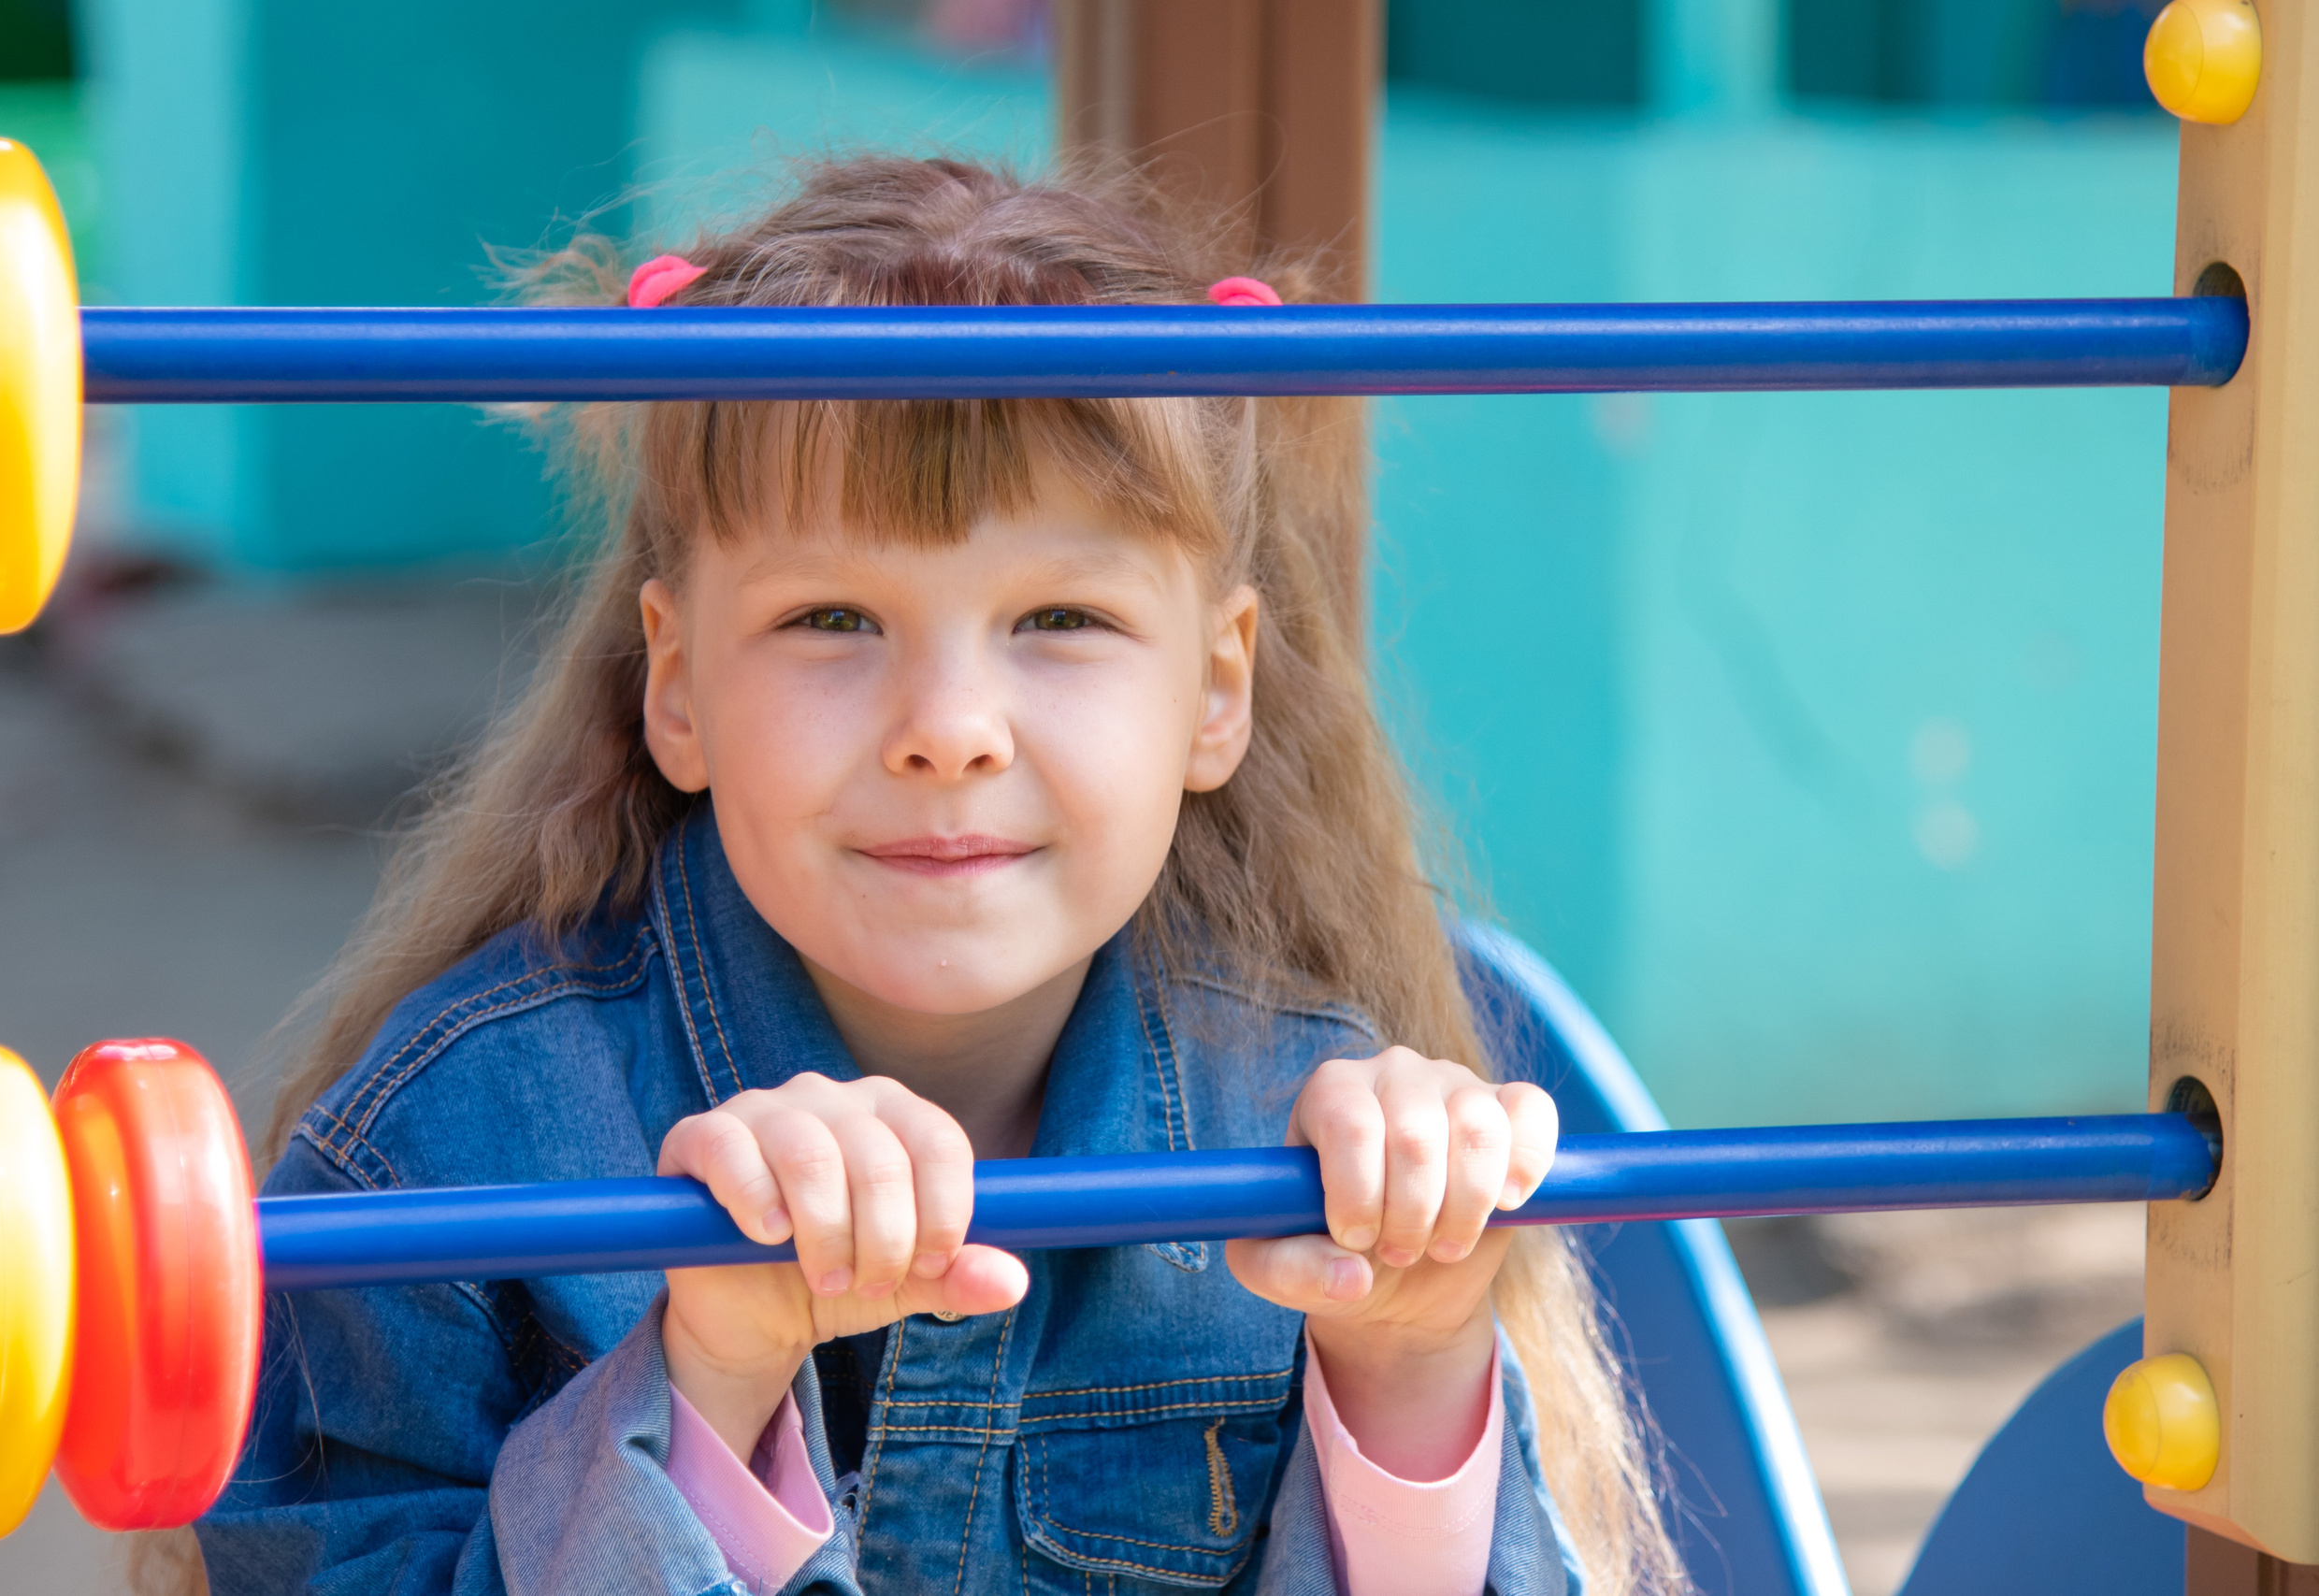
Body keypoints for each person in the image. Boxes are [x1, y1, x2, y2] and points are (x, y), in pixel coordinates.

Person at [185, 156, 1680, 1596]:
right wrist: (706, 1391)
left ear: (1217, 691)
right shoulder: (447, 1153)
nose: (948, 733)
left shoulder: (1314, 1150)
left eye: (1062, 619)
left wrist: (1411, 1375)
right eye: (834, 617)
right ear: (680, 683)